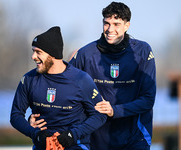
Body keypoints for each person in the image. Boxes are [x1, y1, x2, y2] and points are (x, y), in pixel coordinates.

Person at [30, 2, 156, 150]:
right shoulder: (86, 54)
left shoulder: (142, 52)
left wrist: (114, 110)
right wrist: (38, 116)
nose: (110, 29)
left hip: (135, 137)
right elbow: (59, 85)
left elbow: (148, 100)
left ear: (127, 25)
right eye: (106, 23)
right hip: (96, 138)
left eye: (116, 24)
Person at [10, 26, 107, 150]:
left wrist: (73, 135)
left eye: (38, 52)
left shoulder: (81, 79)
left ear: (53, 55)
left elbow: (100, 115)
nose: (33, 56)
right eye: (33, 51)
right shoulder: (28, 79)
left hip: (75, 145)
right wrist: (36, 134)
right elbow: (16, 115)